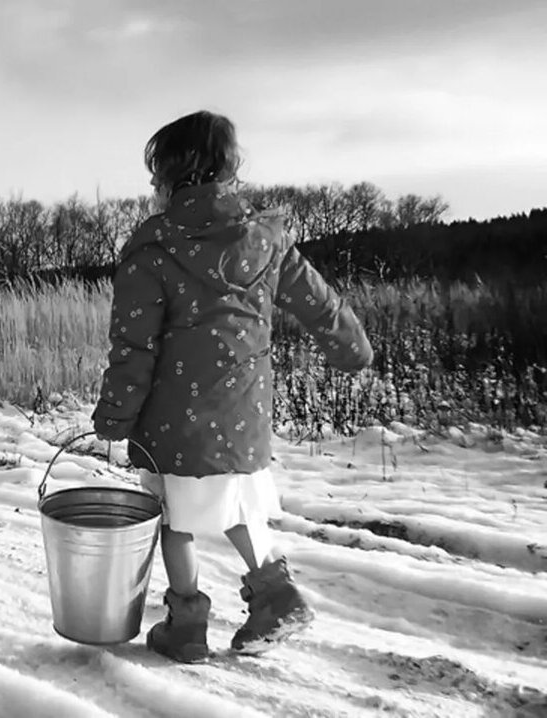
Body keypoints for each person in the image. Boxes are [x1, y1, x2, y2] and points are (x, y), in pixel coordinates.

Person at [92, 110, 372, 663]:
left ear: (173, 176)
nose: (152, 188)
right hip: (243, 411)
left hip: (172, 420)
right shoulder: (265, 240)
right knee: (239, 508)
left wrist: (115, 418)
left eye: (155, 177)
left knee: (174, 518)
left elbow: (134, 350)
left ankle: (187, 623)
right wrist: (353, 348)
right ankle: (273, 594)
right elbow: (320, 304)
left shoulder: (153, 251)